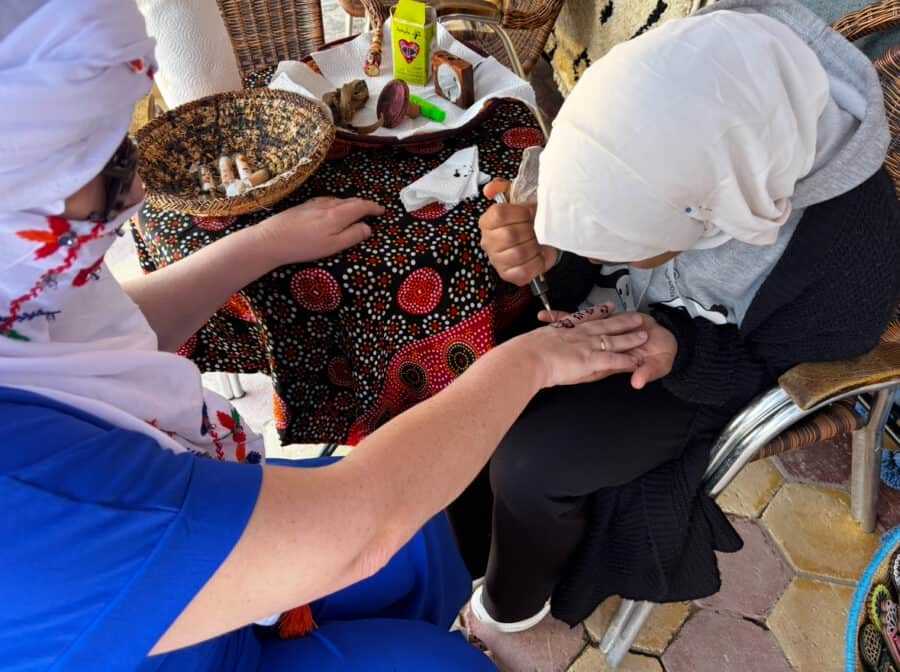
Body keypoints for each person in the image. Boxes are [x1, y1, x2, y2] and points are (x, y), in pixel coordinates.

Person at [0, 1, 653, 670]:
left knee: (427, 548)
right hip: (171, 645)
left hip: (185, 531)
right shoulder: (31, 495)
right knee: (439, 649)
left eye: (122, 141)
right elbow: (358, 528)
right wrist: (531, 361)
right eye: (104, 168)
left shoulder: (16, 279)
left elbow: (102, 331)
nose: (137, 183)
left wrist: (267, 242)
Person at [470, 0, 900, 652]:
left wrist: (683, 349)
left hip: (707, 363)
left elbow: (773, 373)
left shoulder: (851, 252)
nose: (615, 251)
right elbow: (588, 234)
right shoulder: (676, 83)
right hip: (629, 314)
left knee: (533, 464)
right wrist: (540, 250)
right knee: (468, 361)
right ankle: (455, 529)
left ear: (718, 204)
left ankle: (511, 605)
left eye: (630, 238)